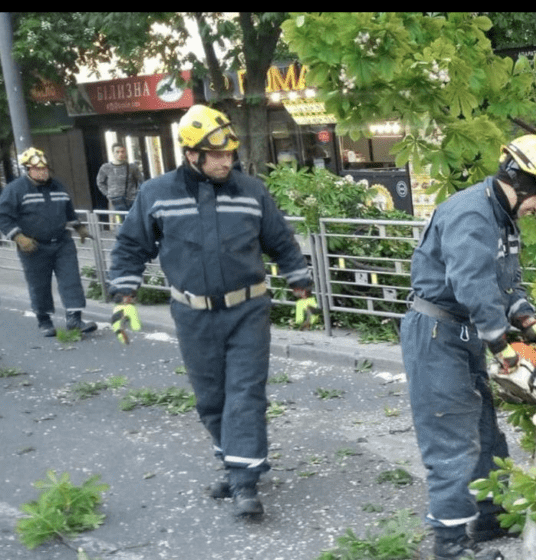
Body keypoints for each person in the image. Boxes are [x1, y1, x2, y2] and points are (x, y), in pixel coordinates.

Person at [106, 104, 315, 519]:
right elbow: (131, 247)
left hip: (248, 310)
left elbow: (283, 243)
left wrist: (302, 290)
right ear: (191, 154)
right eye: (217, 155)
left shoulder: (252, 192)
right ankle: (235, 460)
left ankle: (244, 480)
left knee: (245, 393)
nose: (227, 161)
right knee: (211, 399)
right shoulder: (155, 195)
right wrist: (122, 300)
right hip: (192, 314)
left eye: (230, 154)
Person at [400, 134, 536, 560]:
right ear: (522, 182)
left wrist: (527, 321)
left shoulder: (502, 218)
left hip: (463, 333)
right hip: (437, 334)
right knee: (452, 436)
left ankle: (492, 515)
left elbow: (505, 283)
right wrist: (503, 348)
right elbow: (471, 283)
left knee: (485, 431)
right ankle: (450, 545)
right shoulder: (472, 214)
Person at [0, 147, 97, 337]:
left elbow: (68, 210)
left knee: (72, 280)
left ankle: (75, 320)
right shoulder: (15, 190)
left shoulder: (58, 186)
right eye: (38, 169)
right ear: (28, 169)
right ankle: (44, 320)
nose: (43, 172)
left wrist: (79, 227)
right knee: (39, 284)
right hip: (33, 246)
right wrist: (18, 237)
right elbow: (3, 216)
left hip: (62, 242)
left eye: (45, 168)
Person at [96, 143, 143, 215]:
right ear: (113, 153)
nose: (120, 154)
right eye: (117, 152)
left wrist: (137, 193)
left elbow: (141, 181)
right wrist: (107, 194)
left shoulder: (132, 167)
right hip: (115, 199)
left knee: (134, 220)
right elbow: (100, 182)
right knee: (120, 221)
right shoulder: (105, 167)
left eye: (122, 151)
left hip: (131, 199)